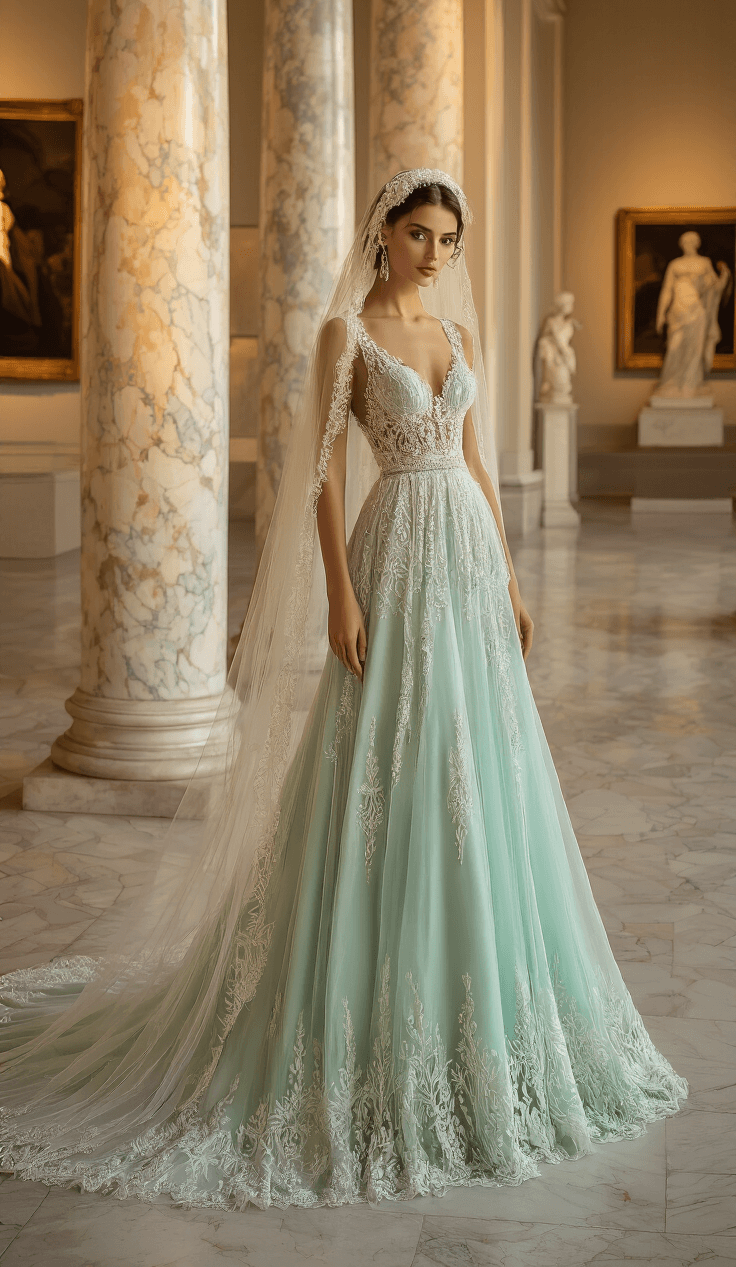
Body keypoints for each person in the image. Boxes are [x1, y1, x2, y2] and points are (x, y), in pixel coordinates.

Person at [0, 169, 686, 1210]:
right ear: (383, 234)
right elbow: (319, 472)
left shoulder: (456, 341)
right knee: (388, 756)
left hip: (460, 557)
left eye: (449, 239)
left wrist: (507, 572)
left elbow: (477, 460)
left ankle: (486, 1007)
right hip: (392, 561)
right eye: (420, 235)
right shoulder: (346, 337)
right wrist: (338, 596)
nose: (436, 255)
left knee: (475, 763)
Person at [654, 231, 731, 398]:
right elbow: (667, 290)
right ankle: (670, 384)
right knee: (674, 347)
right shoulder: (675, 265)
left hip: (696, 310)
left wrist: (724, 277)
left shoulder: (704, 263)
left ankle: (690, 385)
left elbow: (713, 288)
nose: (687, 244)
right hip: (678, 311)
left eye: (690, 241)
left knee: (694, 348)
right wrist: (660, 314)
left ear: (697, 244)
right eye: (684, 242)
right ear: (681, 244)